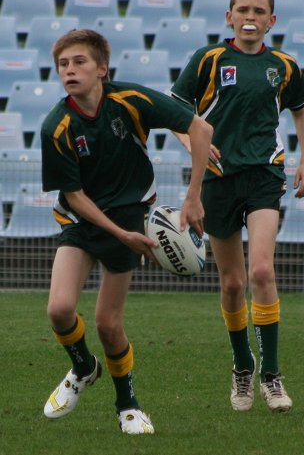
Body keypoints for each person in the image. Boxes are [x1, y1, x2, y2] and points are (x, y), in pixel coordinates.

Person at [40, 29, 213, 434]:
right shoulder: (56, 126)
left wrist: (193, 197)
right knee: (59, 309)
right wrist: (119, 234)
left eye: (79, 61)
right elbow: (75, 196)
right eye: (63, 64)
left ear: (102, 67)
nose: (70, 70)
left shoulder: (129, 100)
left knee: (108, 324)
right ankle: (83, 368)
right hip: (84, 223)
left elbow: (200, 130)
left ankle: (128, 406)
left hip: (132, 216)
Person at [170, 0, 304, 413]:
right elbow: (177, 111)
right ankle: (242, 366)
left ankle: (272, 374)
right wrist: (192, 143)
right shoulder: (209, 59)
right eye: (243, 10)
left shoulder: (284, 65)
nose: (250, 18)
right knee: (233, 282)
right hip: (217, 178)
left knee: (262, 272)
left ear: (271, 21)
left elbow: (302, 111)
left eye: (259, 12)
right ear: (229, 16)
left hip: (264, 174)